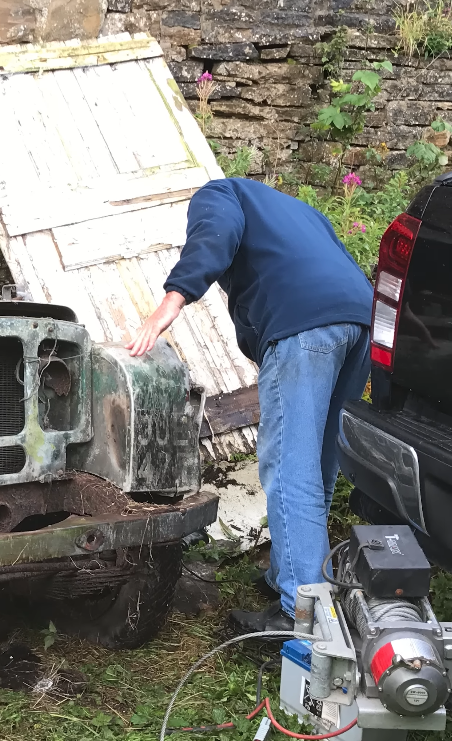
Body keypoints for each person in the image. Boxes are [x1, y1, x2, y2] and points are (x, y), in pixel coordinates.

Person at [126, 178, 373, 631]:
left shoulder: (219, 194)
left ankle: (300, 616)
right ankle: (293, 573)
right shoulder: (297, 209)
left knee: (290, 469)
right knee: (318, 464)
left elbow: (215, 232)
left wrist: (172, 300)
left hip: (303, 327)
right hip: (358, 321)